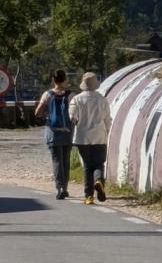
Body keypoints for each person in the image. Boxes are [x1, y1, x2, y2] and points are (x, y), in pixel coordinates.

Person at [68, 72, 111, 205]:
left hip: (83, 137)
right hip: (99, 135)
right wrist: (107, 130)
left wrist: (78, 122)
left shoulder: (76, 99)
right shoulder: (102, 99)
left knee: (87, 166)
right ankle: (98, 180)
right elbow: (107, 119)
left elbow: (72, 117)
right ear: (95, 85)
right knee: (99, 163)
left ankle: (89, 196)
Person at [33, 70, 74, 200]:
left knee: (57, 160)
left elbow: (37, 113)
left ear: (53, 80)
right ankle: (65, 188)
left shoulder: (48, 94)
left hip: (53, 132)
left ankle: (60, 188)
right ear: (65, 79)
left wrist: (47, 113)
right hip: (67, 132)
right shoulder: (71, 95)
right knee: (66, 161)